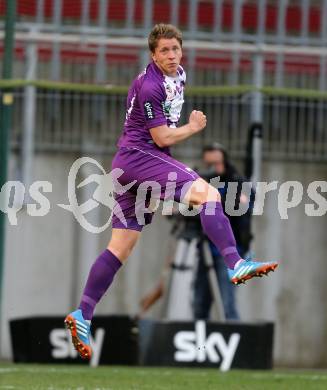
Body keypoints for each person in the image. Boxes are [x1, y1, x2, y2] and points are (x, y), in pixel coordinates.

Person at [65, 24, 278, 359]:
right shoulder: (150, 85)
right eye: (163, 50)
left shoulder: (177, 74)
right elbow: (162, 137)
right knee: (210, 196)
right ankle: (235, 263)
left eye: (174, 49)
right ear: (153, 54)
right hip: (140, 159)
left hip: (131, 163)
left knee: (120, 246)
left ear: (181, 50)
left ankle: (82, 315)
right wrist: (192, 128)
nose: (170, 55)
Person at [194, 143, 254, 320]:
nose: (213, 168)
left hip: (230, 252)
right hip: (206, 249)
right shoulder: (204, 183)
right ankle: (200, 344)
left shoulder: (238, 182)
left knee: (227, 304)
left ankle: (233, 343)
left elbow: (244, 207)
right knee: (199, 305)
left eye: (216, 162)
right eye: (209, 164)